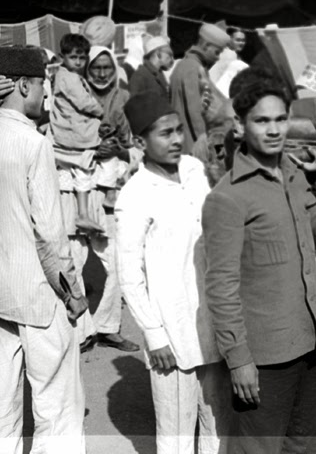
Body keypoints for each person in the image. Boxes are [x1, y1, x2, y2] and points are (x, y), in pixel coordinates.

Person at [202, 70, 316, 454]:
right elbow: (221, 288)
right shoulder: (227, 198)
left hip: (312, 342)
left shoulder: (295, 175)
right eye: (262, 121)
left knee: (309, 447)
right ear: (240, 124)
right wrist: (239, 361)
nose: (273, 129)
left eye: (280, 119)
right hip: (265, 358)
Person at [0, 46, 88, 454]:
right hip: (40, 297)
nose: (46, 93)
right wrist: (73, 292)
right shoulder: (33, 143)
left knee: (4, 411)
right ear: (24, 84)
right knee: (58, 411)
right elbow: (49, 235)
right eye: (42, 82)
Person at [116, 90, 232, 454]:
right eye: (165, 134)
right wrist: (154, 335)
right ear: (140, 141)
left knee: (218, 421)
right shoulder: (135, 195)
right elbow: (129, 274)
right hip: (171, 329)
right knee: (176, 433)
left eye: (179, 130)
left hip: (211, 318)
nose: (178, 139)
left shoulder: (195, 171)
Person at [67, 45, 139, 353]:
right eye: (95, 67)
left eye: (107, 67)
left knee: (119, 263)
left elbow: (135, 146)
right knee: (72, 260)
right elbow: (53, 138)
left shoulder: (122, 101)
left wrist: (118, 151)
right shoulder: (72, 96)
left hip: (109, 191)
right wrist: (88, 150)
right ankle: (80, 331)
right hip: (73, 188)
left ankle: (108, 326)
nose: (101, 73)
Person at [50, 32, 104, 229]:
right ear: (62, 57)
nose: (79, 61)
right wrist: (101, 110)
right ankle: (83, 213)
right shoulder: (69, 78)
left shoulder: (67, 75)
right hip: (75, 135)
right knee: (84, 169)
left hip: (70, 132)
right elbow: (84, 103)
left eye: (82, 57)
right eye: (74, 57)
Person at [170, 23, 230, 154]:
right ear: (206, 46)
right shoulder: (191, 68)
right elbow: (195, 114)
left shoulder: (189, 65)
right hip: (191, 147)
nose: (218, 57)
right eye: (217, 52)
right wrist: (205, 147)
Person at [129, 34, 174, 98]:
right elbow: (133, 104)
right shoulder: (140, 76)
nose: (171, 58)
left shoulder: (160, 74)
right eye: (169, 53)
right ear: (158, 54)